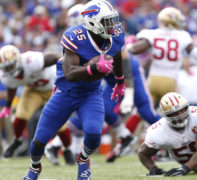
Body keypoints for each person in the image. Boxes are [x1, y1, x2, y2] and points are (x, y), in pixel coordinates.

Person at [23, 0, 126, 179]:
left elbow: (116, 53)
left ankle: (83, 159)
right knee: (40, 139)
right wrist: (93, 68)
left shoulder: (115, 34)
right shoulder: (74, 36)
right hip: (65, 93)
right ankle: (34, 167)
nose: (112, 26)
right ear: (93, 22)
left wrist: (119, 81)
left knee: (94, 134)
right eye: (107, 21)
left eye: (112, 20)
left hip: (91, 93)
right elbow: (70, 73)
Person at [125, 6, 197, 138]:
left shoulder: (151, 33)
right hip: (170, 80)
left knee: (141, 111)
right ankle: (166, 147)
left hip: (153, 79)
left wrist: (129, 44)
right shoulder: (182, 36)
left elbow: (133, 50)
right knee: (175, 115)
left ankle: (123, 139)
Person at [0, 45, 75, 160]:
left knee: (59, 124)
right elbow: (12, 86)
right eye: (6, 67)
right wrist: (8, 106)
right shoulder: (5, 75)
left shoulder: (31, 60)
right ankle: (17, 140)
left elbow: (57, 57)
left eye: (11, 66)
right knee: (20, 115)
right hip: (33, 90)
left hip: (53, 87)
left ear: (18, 59)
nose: (9, 70)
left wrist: (66, 74)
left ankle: (67, 149)